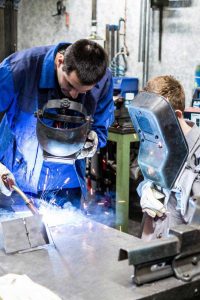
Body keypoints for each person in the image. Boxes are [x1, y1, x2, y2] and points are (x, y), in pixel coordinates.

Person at [0, 39, 114, 210]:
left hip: (67, 184)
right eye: (69, 85)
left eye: (83, 91)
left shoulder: (103, 79)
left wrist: (95, 139)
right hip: (14, 180)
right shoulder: (20, 68)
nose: (74, 95)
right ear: (60, 61)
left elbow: (101, 124)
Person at [137, 75, 200, 240]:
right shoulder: (160, 141)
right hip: (152, 241)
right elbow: (146, 177)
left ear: (177, 115)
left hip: (184, 251)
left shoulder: (198, 151)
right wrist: (145, 189)